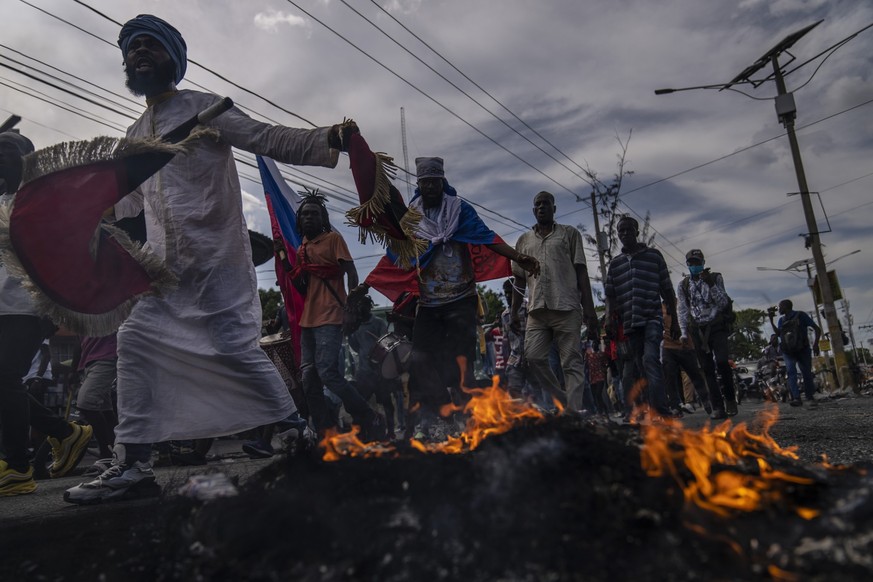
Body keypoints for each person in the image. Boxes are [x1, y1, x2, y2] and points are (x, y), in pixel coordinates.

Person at [64, 14, 350, 504]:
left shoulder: (206, 109)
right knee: (134, 339)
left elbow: (266, 138)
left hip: (215, 264)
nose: (140, 54)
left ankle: (296, 434)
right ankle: (133, 465)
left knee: (235, 349)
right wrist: (82, 208)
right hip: (163, 273)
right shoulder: (133, 136)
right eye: (133, 48)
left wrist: (328, 139)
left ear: (173, 58)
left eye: (151, 45)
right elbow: (126, 203)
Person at [400, 157, 539, 437]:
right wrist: (366, 286)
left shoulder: (459, 210)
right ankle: (444, 411)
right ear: (418, 184)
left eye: (434, 181)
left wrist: (519, 256)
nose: (429, 186)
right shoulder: (411, 217)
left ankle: (468, 421)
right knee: (419, 358)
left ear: (442, 182)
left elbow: (486, 237)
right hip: (429, 302)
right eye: (424, 182)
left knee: (462, 362)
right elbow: (397, 253)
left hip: (461, 297)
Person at [1, 131, 93, 496]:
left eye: (6, 152)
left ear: (26, 160)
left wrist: (60, 308)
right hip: (2, 307)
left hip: (28, 306)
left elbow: (66, 254)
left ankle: (18, 467)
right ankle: (67, 433)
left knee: (4, 376)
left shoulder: (43, 200)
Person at [291, 193, 385, 439]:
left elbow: (351, 272)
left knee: (327, 373)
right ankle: (325, 433)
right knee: (309, 379)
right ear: (299, 219)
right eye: (305, 214)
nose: (309, 217)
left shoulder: (333, 239)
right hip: (308, 320)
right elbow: (305, 286)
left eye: (314, 213)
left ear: (322, 217)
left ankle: (367, 415)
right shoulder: (302, 246)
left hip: (331, 314)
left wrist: (351, 307)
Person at [510, 191, 598, 411]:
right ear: (533, 210)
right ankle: (562, 398)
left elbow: (581, 272)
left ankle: (574, 411)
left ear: (554, 208)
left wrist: (590, 310)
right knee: (533, 357)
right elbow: (519, 280)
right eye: (537, 204)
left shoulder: (569, 234)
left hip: (567, 307)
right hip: (537, 310)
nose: (542, 207)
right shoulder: (524, 241)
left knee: (571, 362)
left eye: (546, 203)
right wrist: (513, 313)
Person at [604, 216, 679, 419]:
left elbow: (667, 289)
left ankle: (661, 410)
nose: (625, 234)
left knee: (651, 360)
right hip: (630, 324)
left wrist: (675, 321)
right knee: (641, 367)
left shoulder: (653, 256)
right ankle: (650, 408)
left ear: (637, 232)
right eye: (621, 231)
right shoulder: (616, 265)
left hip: (652, 318)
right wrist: (609, 319)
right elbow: (610, 295)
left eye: (629, 230)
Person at [676, 249, 737, 418]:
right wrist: (683, 332)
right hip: (698, 330)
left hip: (717, 326)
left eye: (698, 262)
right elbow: (682, 309)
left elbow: (724, 302)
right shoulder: (683, 285)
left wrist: (711, 284)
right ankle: (718, 407)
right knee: (707, 369)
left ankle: (730, 399)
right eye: (691, 263)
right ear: (687, 265)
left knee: (723, 362)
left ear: (703, 262)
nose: (695, 266)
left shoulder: (716, 278)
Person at [348, 295, 399, 439]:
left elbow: (386, 343)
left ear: (369, 307)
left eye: (363, 306)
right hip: (364, 373)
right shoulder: (355, 326)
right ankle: (362, 433)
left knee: (387, 403)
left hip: (381, 372)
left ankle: (390, 431)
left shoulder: (378, 323)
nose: (360, 309)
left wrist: (378, 359)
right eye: (358, 306)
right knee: (360, 403)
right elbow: (354, 345)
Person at [74, 334, 119, 474]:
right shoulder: (82, 316)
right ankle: (117, 452)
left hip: (107, 356)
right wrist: (74, 369)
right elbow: (78, 342)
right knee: (106, 410)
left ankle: (106, 454)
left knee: (86, 403)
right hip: (88, 362)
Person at [661, 303, 713, 417]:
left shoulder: (681, 304)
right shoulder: (659, 307)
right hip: (668, 347)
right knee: (670, 378)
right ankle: (675, 406)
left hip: (686, 347)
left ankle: (706, 401)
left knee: (695, 375)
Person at [768, 299, 821, 407]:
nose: (779, 309)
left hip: (801, 349)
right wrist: (771, 320)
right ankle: (799, 398)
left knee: (803, 373)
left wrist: (816, 344)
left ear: (786, 307)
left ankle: (805, 397)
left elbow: (816, 328)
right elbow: (778, 334)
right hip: (790, 350)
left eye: (780, 307)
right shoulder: (782, 320)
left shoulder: (801, 315)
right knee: (795, 373)